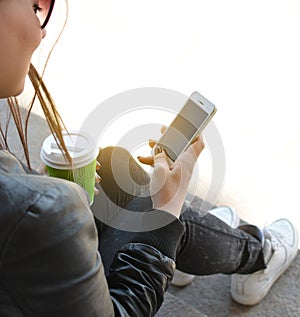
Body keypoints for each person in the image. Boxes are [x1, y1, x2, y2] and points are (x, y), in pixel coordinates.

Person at [0, 1, 298, 316]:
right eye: (34, 6)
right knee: (157, 206)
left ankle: (196, 246)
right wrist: (165, 216)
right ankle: (259, 254)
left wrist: (51, 190)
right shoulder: (42, 207)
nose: (41, 32)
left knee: (115, 168)